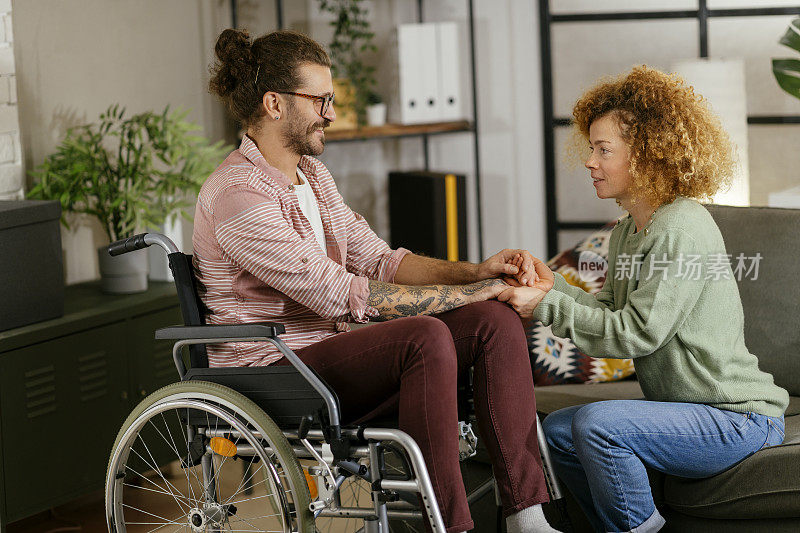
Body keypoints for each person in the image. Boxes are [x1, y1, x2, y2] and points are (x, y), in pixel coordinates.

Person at [194, 28, 558, 533]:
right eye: (321, 99)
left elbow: (380, 262)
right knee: (424, 336)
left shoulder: (314, 179)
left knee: (492, 321)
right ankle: (450, 526)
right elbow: (337, 292)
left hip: (331, 351)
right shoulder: (236, 194)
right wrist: (466, 292)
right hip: (275, 367)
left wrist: (476, 273)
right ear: (274, 103)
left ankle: (526, 515)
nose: (332, 113)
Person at [497, 65, 789, 532]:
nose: (589, 162)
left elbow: (638, 334)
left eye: (602, 150)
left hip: (736, 418)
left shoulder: (680, 226)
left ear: (648, 156)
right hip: (685, 413)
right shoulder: (628, 232)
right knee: (555, 432)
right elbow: (614, 314)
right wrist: (553, 284)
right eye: (590, 148)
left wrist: (548, 306)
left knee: (596, 424)